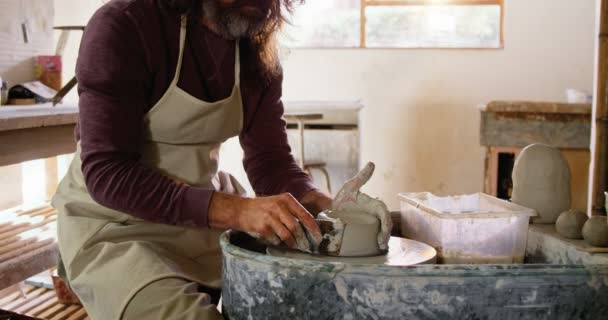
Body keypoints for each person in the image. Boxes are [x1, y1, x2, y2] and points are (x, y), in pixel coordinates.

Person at [51, 0, 333, 319]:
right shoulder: (125, 24)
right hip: (114, 225)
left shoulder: (257, 52)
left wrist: (318, 202)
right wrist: (235, 210)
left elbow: (271, 161)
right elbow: (108, 172)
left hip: (203, 225)